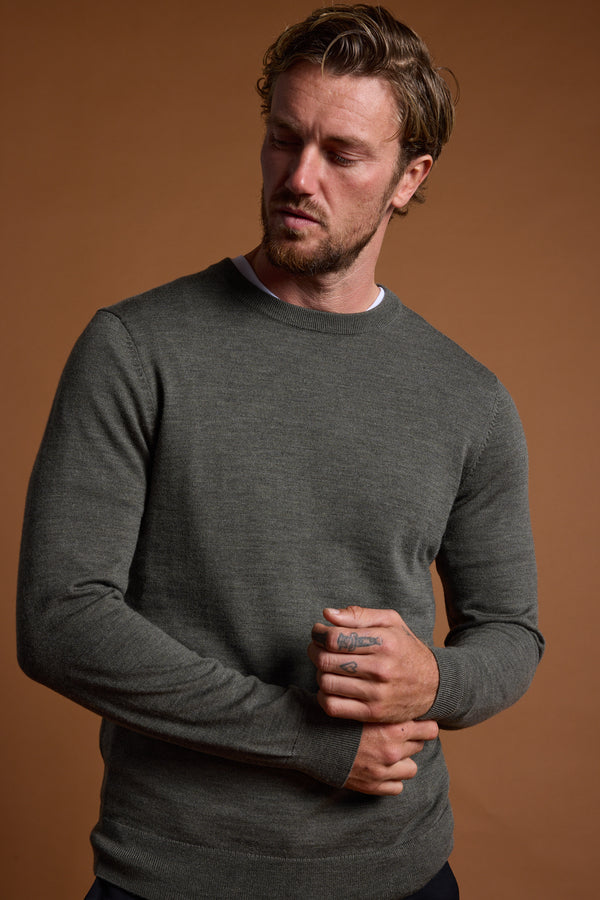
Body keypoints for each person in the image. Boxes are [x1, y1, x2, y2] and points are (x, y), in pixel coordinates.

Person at [16, 5, 544, 899]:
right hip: (173, 878)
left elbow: (513, 636)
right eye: (282, 139)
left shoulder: (468, 396)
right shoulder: (135, 348)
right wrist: (314, 740)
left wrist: (435, 679)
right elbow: (60, 621)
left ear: (408, 179)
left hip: (401, 876)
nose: (299, 176)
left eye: (342, 154)